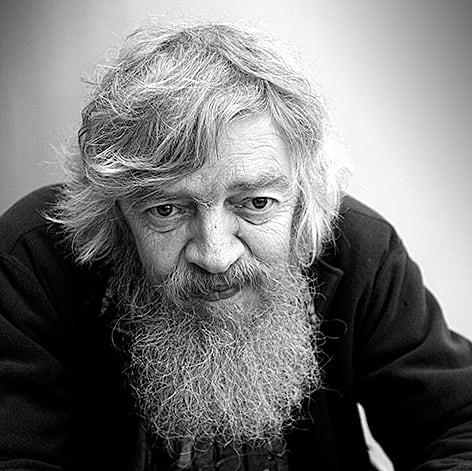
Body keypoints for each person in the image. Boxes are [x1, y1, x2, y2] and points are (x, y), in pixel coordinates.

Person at [1, 20, 471, 471]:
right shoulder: (33, 261)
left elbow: (459, 428)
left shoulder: (359, 248)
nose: (215, 255)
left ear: (303, 200)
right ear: (116, 215)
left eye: (256, 203)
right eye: (167, 209)